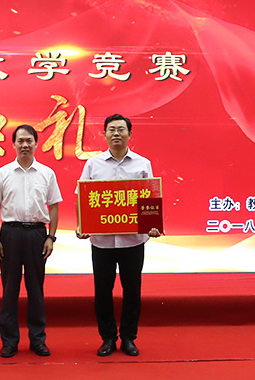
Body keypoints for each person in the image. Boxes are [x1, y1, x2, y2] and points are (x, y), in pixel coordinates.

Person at [76, 114, 160, 357]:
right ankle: (108, 338)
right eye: (111, 129)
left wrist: (152, 224)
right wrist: (82, 224)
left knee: (132, 290)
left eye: (121, 129)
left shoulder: (142, 164)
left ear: (129, 134)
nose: (116, 133)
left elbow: (150, 198)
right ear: (104, 134)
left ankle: (129, 338)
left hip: (133, 240)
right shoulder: (93, 164)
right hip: (102, 241)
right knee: (103, 291)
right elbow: (83, 197)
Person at [0, 124, 62, 358]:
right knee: (9, 290)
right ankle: (9, 341)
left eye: (29, 140)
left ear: (36, 143)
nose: (25, 145)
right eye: (20, 141)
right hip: (10, 234)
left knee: (36, 289)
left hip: (37, 234)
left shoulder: (47, 173)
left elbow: (54, 206)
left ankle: (38, 340)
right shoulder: (3, 173)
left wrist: (51, 237)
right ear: (14, 144)